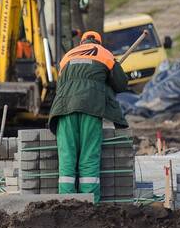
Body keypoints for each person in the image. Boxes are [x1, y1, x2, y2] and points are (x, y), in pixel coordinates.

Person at [49, 30, 129, 203]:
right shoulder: (104, 54)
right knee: (88, 156)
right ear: (98, 42)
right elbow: (121, 84)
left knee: (67, 157)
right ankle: (88, 204)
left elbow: (61, 84)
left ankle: (65, 203)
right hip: (90, 106)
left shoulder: (67, 56)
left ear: (81, 42)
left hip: (63, 108)